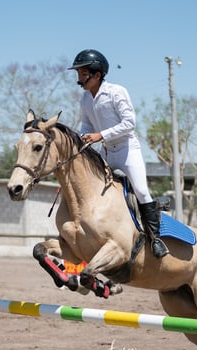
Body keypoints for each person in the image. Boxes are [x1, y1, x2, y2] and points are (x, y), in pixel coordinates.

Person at [68, 49, 169, 258]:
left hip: (126, 150)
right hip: (106, 152)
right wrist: (83, 137)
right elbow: (86, 125)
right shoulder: (85, 99)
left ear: (96, 75)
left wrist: (100, 135)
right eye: (78, 73)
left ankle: (156, 238)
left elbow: (130, 123)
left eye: (82, 73)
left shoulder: (116, 91)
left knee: (141, 191)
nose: (78, 78)